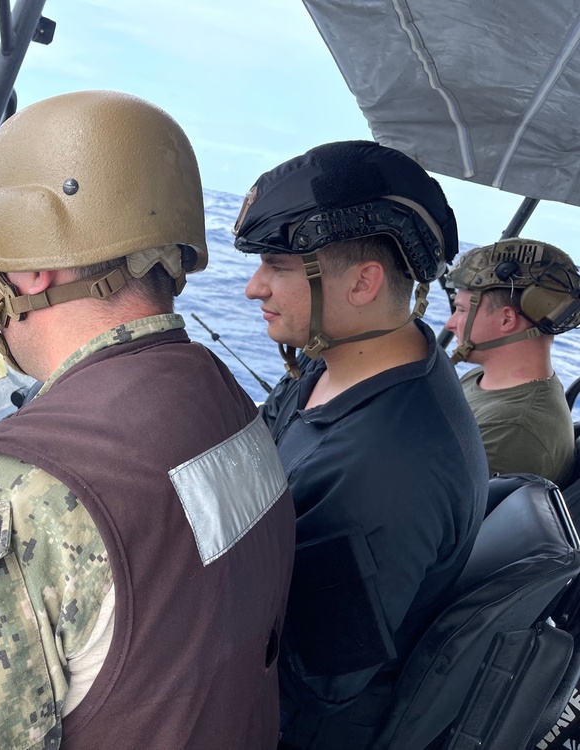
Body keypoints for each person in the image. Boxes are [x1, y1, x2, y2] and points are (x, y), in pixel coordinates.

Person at [0, 90, 297, 750]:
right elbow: (88, 493)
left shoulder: (17, 499)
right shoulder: (218, 396)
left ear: (36, 267)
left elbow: (38, 500)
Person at [233, 140, 490, 749]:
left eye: (277, 266)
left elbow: (307, 683)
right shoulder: (343, 361)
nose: (252, 288)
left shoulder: (384, 471)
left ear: (362, 283)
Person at [444, 238, 579, 486]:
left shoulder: (514, 431)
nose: (450, 324)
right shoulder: (486, 380)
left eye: (461, 310)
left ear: (507, 320)